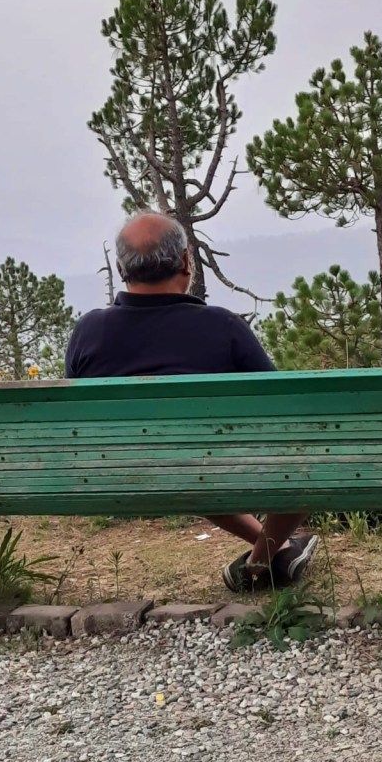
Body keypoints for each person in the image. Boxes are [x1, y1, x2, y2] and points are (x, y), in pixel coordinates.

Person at [65, 210, 317, 592]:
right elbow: (280, 410)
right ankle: (263, 559)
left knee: (179, 461)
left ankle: (268, 550)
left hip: (115, 471)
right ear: (187, 262)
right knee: (310, 461)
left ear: (120, 269)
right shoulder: (223, 326)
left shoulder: (88, 332)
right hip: (207, 465)